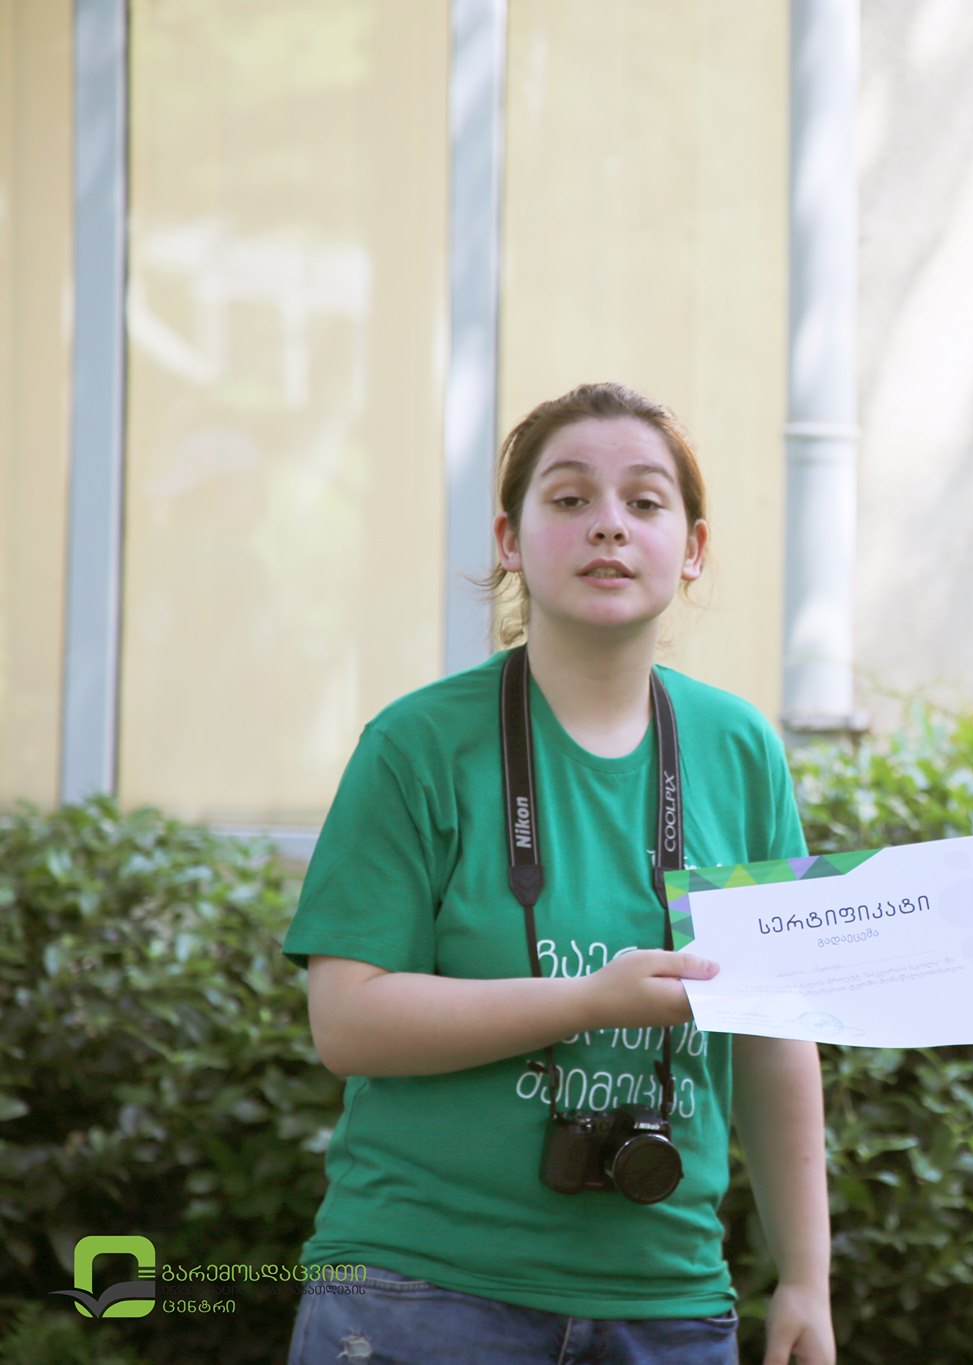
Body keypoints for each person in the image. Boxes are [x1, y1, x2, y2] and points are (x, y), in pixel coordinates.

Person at [284, 382, 834, 1365]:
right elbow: (348, 1021)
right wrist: (585, 1000)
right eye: (570, 499)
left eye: (645, 502)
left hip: (667, 1301)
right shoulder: (416, 746)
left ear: (693, 548)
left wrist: (805, 1278)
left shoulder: (739, 749)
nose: (608, 526)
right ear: (509, 539)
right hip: (417, 1292)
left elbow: (775, 1028)